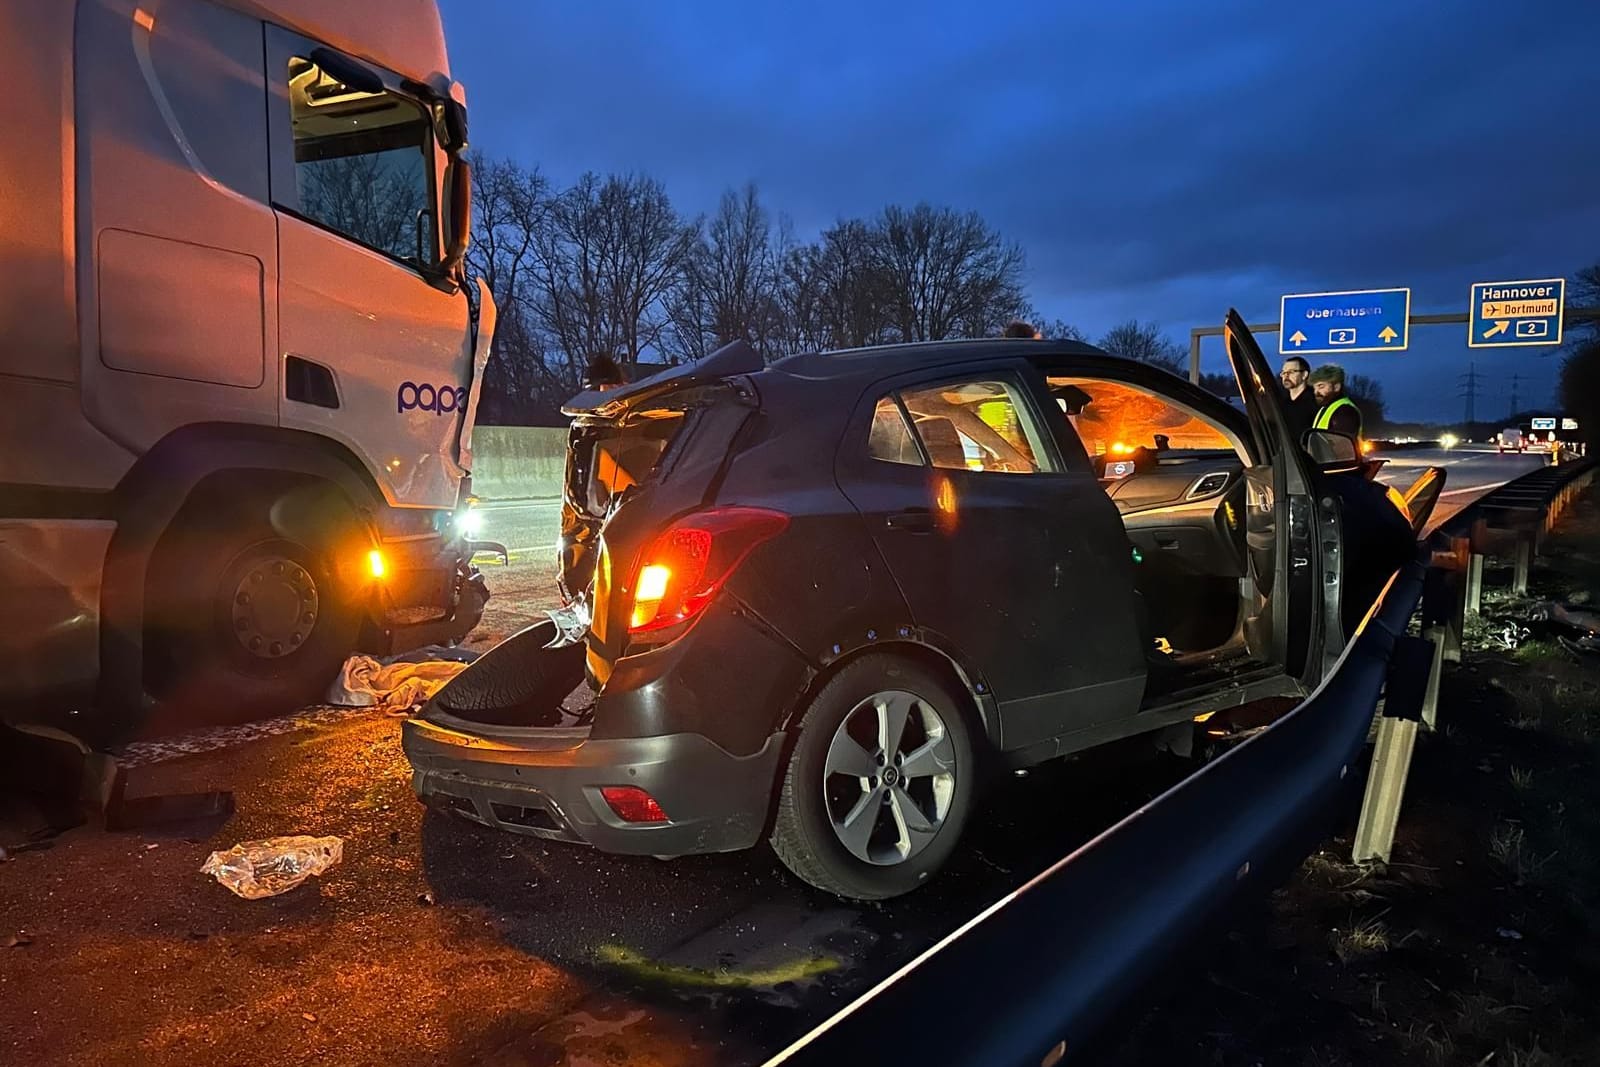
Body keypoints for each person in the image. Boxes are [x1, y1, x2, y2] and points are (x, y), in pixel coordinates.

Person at [1309, 364, 1363, 440]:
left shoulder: (1345, 411)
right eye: (1314, 388)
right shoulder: (1325, 408)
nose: (1316, 392)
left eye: (1321, 386)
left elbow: (1342, 445)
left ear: (1336, 387)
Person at [1278, 355, 1318, 442]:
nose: (1286, 376)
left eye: (1291, 372)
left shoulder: (1315, 402)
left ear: (1304, 375)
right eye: (1283, 373)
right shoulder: (1281, 404)